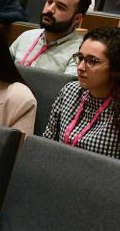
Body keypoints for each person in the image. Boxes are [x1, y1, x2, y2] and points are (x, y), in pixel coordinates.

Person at [44, 26, 120, 158]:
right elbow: (46, 142)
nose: (80, 67)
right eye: (80, 58)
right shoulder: (69, 91)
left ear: (115, 68)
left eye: (92, 61)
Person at [10, 0, 89, 75]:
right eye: (49, 1)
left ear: (77, 18)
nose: (49, 9)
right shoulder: (27, 36)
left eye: (60, 7)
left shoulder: (80, 53)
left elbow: (63, 88)